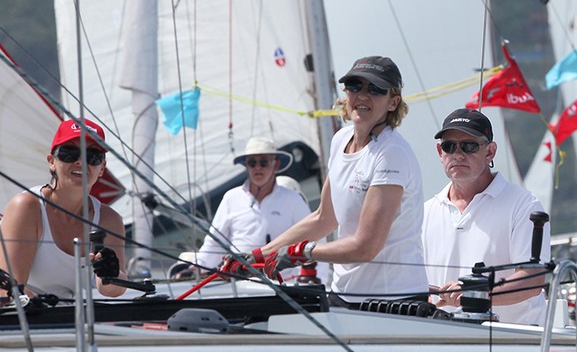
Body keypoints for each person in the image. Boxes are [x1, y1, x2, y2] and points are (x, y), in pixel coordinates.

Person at [249, 56, 427, 303]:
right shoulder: (340, 140)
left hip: (393, 302)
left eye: (375, 89)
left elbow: (366, 247)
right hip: (346, 297)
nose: (363, 95)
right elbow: (325, 217)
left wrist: (301, 252)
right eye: (355, 86)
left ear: (392, 102)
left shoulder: (392, 154)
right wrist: (259, 255)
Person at [422, 108, 549, 324]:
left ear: (490, 152)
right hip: (443, 341)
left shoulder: (524, 205)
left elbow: (533, 280)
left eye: (469, 146)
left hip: (514, 343)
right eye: (449, 146)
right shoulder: (425, 212)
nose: (458, 154)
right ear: (439, 152)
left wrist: (475, 295)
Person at [0, 118, 127, 299]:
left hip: (79, 321)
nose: (81, 162)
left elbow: (112, 290)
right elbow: (7, 291)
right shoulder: (27, 207)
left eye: (92, 156)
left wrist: (111, 273)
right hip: (31, 321)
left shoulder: (110, 219)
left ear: (102, 168)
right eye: (69, 153)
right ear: (51, 161)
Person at [187, 137, 316, 281]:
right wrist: (195, 269)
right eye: (252, 163)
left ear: (276, 165)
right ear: (246, 166)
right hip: (240, 286)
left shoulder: (293, 200)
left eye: (264, 162)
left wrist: (318, 282)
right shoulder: (231, 198)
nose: (258, 167)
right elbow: (214, 244)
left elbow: (315, 240)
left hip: (284, 285)